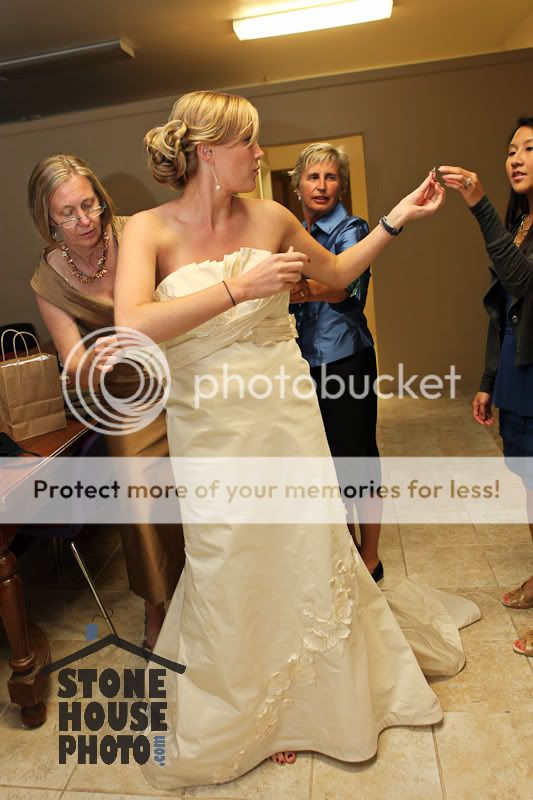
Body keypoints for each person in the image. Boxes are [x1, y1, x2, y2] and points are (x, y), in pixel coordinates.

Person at [114, 90, 478, 789]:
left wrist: (398, 217)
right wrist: (239, 288)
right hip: (209, 428)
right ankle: (251, 706)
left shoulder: (274, 218)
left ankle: (314, 702)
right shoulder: (148, 231)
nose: (260, 154)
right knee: (230, 556)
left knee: (302, 546)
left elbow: (336, 276)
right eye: (248, 142)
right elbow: (131, 324)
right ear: (207, 151)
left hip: (284, 412)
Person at [28, 154, 185, 648]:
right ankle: (157, 604)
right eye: (68, 213)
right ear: (48, 219)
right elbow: (72, 358)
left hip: (182, 369)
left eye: (89, 204)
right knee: (141, 498)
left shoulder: (137, 232)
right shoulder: (48, 280)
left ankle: (210, 592)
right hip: (125, 392)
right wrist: (91, 363)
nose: (85, 220)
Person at [441, 117, 533, 658]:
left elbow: (521, 279)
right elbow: (503, 309)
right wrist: (487, 380)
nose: (516, 158)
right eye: (511, 150)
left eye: (530, 149)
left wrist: (479, 205)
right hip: (517, 375)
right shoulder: (521, 222)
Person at [288, 142, 383, 581]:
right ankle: (347, 552)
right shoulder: (294, 232)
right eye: (313, 177)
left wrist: (299, 289)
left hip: (347, 359)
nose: (322, 185)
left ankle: (371, 557)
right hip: (305, 363)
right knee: (326, 462)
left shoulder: (352, 228)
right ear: (298, 185)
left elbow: (346, 286)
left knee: (357, 458)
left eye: (330, 177)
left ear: (341, 184)